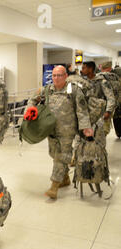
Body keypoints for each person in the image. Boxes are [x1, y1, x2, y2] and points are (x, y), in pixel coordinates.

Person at [28, 66, 93, 200]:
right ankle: (64, 178)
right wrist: (30, 110)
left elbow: (82, 110)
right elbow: (32, 100)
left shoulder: (74, 90)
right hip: (50, 129)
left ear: (65, 76)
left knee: (61, 157)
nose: (56, 78)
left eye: (59, 75)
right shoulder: (47, 90)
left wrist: (86, 127)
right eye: (54, 75)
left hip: (67, 131)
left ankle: (54, 186)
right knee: (53, 154)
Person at [81, 61, 116, 136]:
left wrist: (108, 111)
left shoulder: (102, 82)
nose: (82, 70)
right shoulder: (83, 83)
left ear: (90, 69)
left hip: (100, 115)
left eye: (84, 68)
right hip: (88, 116)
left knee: (99, 139)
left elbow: (111, 98)